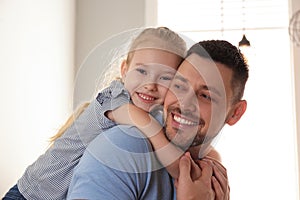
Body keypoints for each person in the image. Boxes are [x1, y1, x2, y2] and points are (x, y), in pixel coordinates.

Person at [2, 27, 190, 200]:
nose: (150, 85)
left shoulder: (154, 111)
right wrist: (191, 180)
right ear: (124, 70)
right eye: (141, 71)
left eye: (165, 77)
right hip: (30, 196)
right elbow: (159, 141)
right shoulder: (116, 101)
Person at [66, 40, 248, 199]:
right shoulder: (124, 147)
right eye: (179, 86)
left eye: (206, 96)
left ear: (235, 113)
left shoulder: (211, 174)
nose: (185, 103)